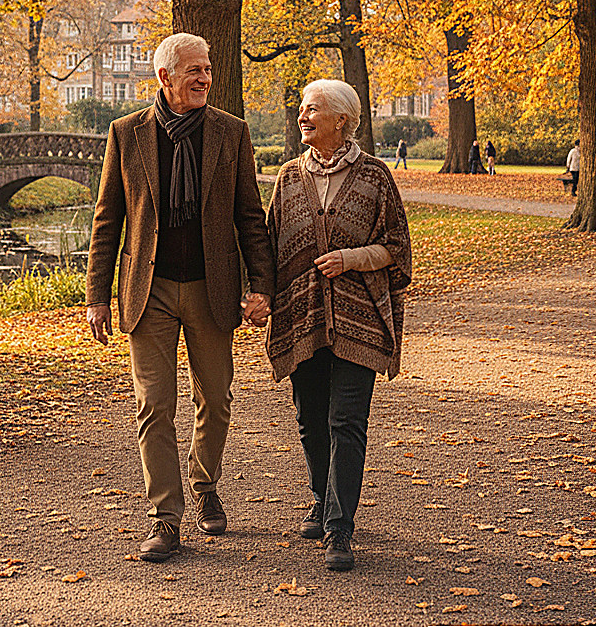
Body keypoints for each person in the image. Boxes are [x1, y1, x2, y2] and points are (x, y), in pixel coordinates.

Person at [85, 33, 275, 563]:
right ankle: (166, 519)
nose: (205, 78)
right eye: (194, 70)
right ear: (165, 77)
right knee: (154, 406)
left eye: (209, 69)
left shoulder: (231, 133)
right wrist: (97, 296)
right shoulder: (127, 134)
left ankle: (205, 481)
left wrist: (261, 287)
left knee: (215, 399)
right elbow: (108, 221)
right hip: (149, 291)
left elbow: (249, 217)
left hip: (213, 289)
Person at [265, 80, 412, 572]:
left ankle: (339, 527)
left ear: (341, 120)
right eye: (302, 111)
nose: (302, 118)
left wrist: (352, 258)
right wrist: (258, 295)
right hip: (301, 315)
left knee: (346, 422)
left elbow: (398, 248)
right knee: (310, 420)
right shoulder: (287, 178)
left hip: (359, 317)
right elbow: (267, 247)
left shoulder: (375, 177)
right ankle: (322, 499)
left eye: (312, 111)